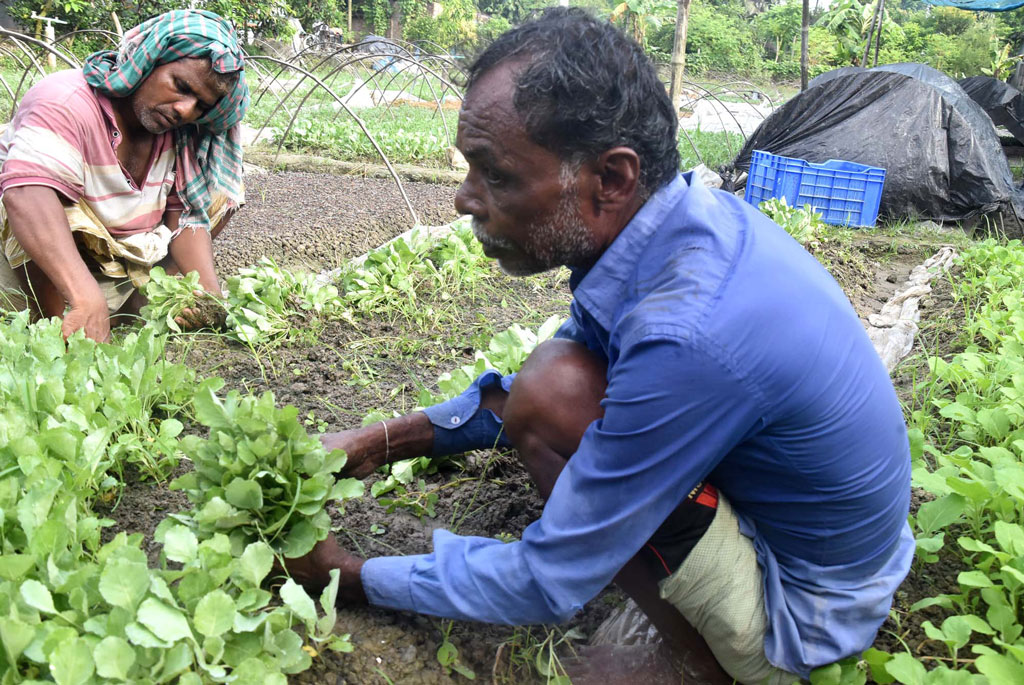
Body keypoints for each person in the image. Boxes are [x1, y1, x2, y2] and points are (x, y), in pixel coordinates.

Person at [289, 9, 913, 684]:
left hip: (798, 616)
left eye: (495, 175)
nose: (467, 199)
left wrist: (349, 575)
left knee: (555, 391)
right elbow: (554, 371)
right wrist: (378, 442)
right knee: (556, 375)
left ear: (611, 180)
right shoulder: (679, 226)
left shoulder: (689, 330)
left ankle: (701, 664)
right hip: (829, 551)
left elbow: (546, 580)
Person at [0, 9, 249, 342]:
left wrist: (209, 296)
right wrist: (84, 294)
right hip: (38, 264)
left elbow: (187, 219)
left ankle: (128, 309)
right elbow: (25, 195)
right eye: (180, 86)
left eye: (201, 105)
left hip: (112, 260)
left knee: (216, 195)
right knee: (36, 191)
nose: (185, 110)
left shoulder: (180, 135)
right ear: (148, 63)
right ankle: (59, 320)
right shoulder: (67, 100)